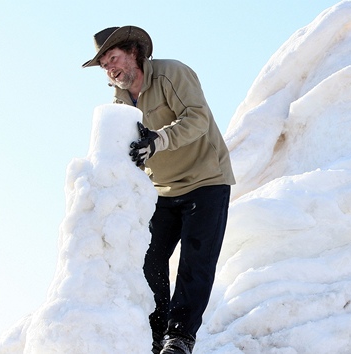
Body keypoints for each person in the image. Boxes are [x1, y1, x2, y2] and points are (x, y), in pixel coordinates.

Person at [82, 26, 236, 354]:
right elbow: (125, 155)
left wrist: (158, 140)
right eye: (104, 65)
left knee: (196, 263)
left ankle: (180, 338)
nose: (110, 68)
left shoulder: (171, 74)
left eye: (113, 58)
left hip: (206, 181)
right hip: (162, 192)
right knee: (148, 259)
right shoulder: (119, 103)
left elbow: (198, 119)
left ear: (134, 53)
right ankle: (156, 337)